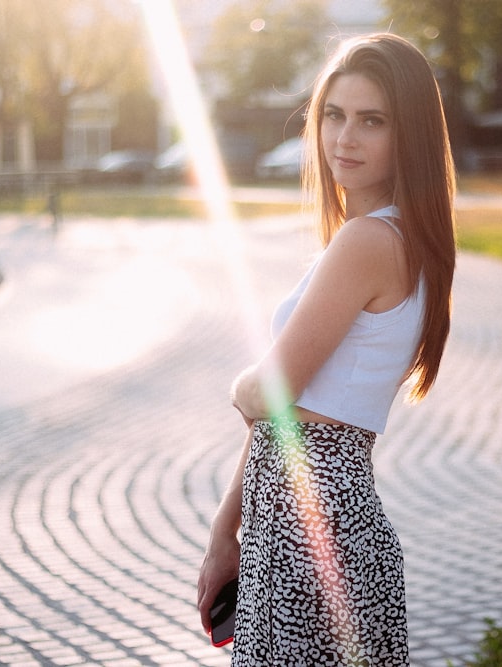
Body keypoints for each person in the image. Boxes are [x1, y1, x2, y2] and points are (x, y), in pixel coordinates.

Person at [197, 32, 456, 666]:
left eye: (373, 121)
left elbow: (269, 394)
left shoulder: (368, 242)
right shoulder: (396, 239)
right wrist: (225, 530)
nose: (345, 138)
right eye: (334, 116)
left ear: (410, 136)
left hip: (310, 530)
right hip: (313, 516)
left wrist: (240, 385)